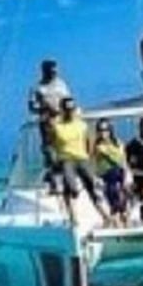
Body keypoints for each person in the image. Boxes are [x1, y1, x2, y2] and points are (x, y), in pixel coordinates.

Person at [47, 96, 110, 224]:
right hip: (66, 159)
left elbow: (89, 143)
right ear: (62, 110)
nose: (70, 111)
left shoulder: (82, 125)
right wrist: (54, 159)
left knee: (92, 186)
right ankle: (73, 218)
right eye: (67, 109)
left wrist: (89, 159)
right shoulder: (57, 126)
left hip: (82, 158)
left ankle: (105, 217)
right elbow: (51, 144)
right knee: (72, 188)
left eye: (72, 108)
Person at [28, 59, 71, 194]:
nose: (54, 73)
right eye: (51, 71)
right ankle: (54, 182)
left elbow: (69, 100)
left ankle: (67, 179)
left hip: (63, 122)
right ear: (44, 71)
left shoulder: (62, 84)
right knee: (50, 153)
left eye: (55, 71)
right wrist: (44, 107)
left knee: (65, 152)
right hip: (47, 123)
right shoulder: (37, 88)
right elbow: (31, 107)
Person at [91, 120, 131, 228]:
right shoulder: (97, 146)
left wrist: (127, 175)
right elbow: (94, 163)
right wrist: (96, 178)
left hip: (120, 175)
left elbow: (122, 160)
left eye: (105, 130)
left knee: (124, 207)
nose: (103, 133)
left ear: (110, 131)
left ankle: (126, 228)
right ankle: (118, 230)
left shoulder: (117, 142)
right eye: (100, 130)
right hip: (107, 178)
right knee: (114, 206)